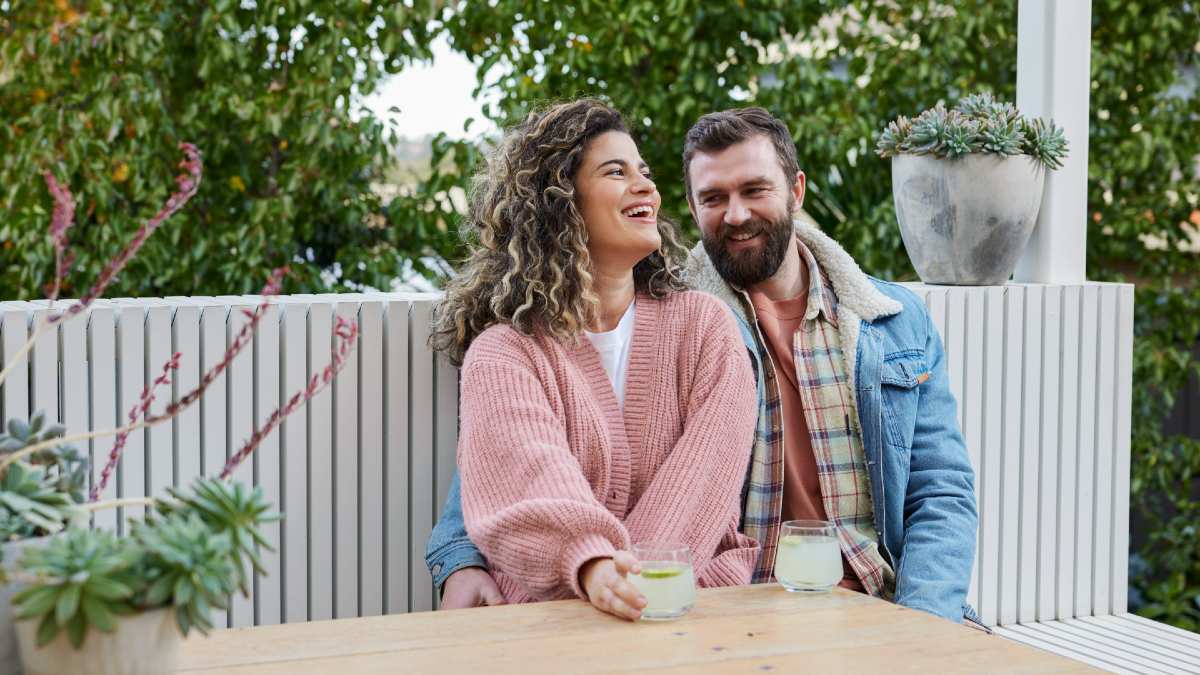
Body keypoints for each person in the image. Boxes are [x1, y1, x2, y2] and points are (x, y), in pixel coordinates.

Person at [428, 106, 979, 625]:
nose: (736, 214)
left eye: (755, 190)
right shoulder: (686, 314)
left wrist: (924, 623)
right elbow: (507, 457)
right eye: (713, 197)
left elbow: (941, 489)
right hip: (741, 604)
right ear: (691, 209)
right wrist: (462, 553)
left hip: (876, 596)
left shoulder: (888, 319)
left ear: (796, 190)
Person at [427, 99, 760, 621]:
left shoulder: (706, 328)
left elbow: (704, 487)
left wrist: (627, 586)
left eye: (645, 173)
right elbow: (528, 477)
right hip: (546, 624)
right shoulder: (505, 353)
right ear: (559, 202)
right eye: (616, 172)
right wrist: (592, 567)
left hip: (689, 608)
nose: (646, 187)